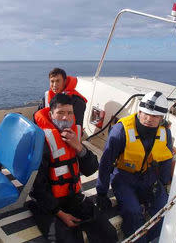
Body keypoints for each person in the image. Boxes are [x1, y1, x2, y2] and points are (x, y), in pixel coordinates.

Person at [30, 93, 117, 243]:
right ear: (51, 115)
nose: (65, 118)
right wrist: (60, 214)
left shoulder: (74, 136)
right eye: (60, 113)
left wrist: (79, 147)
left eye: (69, 113)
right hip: (48, 204)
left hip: (73, 196)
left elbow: (91, 169)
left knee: (109, 234)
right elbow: (38, 188)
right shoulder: (40, 141)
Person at [95, 91, 173, 243]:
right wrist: (102, 192)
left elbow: (166, 160)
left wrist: (164, 184)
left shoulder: (165, 133)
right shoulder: (120, 131)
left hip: (148, 177)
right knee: (132, 211)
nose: (149, 119)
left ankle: (151, 237)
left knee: (165, 207)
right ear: (139, 111)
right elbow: (106, 163)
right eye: (145, 113)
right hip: (124, 177)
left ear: (162, 118)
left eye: (155, 116)